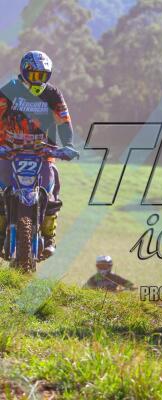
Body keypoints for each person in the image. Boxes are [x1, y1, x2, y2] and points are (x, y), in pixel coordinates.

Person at [0, 51, 79, 258]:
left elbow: (64, 120)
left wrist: (68, 145)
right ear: (24, 71)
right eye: (34, 75)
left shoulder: (52, 94)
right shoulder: (9, 90)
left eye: (43, 76)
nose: (38, 80)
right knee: (1, 191)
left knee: (51, 191)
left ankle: (49, 237)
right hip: (9, 151)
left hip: (43, 152)